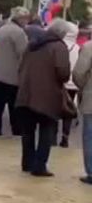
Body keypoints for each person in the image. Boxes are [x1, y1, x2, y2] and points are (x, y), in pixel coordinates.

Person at [16, 18, 74, 177]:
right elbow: (63, 73)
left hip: (26, 94)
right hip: (47, 96)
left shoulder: (32, 44)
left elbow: (21, 66)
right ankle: (39, 166)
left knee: (28, 130)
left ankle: (27, 162)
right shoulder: (58, 47)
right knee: (46, 130)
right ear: (62, 33)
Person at [0, 7, 30, 138]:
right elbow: (23, 53)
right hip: (12, 75)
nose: (27, 21)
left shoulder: (3, 28)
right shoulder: (19, 33)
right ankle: (16, 129)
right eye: (25, 18)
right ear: (21, 19)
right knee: (14, 106)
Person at [71, 34, 92, 185]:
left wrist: (84, 88)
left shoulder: (89, 47)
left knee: (90, 136)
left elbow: (79, 73)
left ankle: (91, 171)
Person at [59, 23, 80, 148]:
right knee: (68, 109)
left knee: (55, 108)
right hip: (72, 84)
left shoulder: (58, 45)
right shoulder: (77, 48)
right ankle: (65, 136)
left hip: (59, 82)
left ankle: (52, 134)